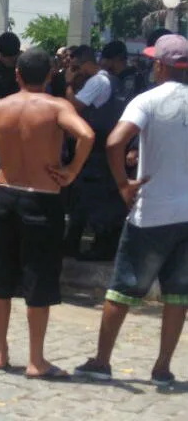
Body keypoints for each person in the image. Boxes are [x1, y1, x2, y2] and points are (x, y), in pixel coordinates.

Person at [0, 48, 94, 380]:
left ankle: (0, 352)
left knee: (2, 279)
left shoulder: (0, 108)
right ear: (50, 75)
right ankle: (36, 360)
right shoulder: (57, 106)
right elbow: (86, 134)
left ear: (17, 75)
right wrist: (70, 171)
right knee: (38, 279)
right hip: (43, 200)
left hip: (8, 197)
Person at [75, 34, 188, 386]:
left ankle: (102, 361)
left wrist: (123, 184)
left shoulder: (148, 100)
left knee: (122, 288)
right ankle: (163, 368)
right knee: (177, 294)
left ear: (160, 65)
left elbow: (113, 141)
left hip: (152, 212)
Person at [64, 45, 128, 260]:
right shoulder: (112, 80)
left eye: (75, 67)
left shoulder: (97, 81)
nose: (74, 71)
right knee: (95, 198)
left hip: (95, 150)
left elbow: (73, 107)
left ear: (85, 63)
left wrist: (69, 83)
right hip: (104, 147)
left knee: (89, 198)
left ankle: (89, 247)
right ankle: (84, 244)